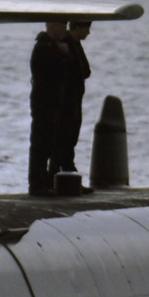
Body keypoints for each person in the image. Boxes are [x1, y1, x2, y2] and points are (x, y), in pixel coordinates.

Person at [28, 20, 72, 195]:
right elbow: (58, 72)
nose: (64, 30)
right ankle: (38, 184)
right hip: (44, 103)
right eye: (62, 26)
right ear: (52, 27)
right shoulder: (44, 48)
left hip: (50, 102)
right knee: (41, 145)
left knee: (46, 144)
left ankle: (44, 181)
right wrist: (64, 55)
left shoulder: (49, 46)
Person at [57, 20, 93, 190]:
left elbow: (85, 71)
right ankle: (65, 174)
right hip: (67, 101)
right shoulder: (66, 45)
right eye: (86, 28)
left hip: (74, 99)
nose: (88, 33)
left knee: (70, 138)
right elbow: (80, 71)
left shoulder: (75, 44)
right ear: (77, 27)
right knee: (65, 138)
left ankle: (67, 174)